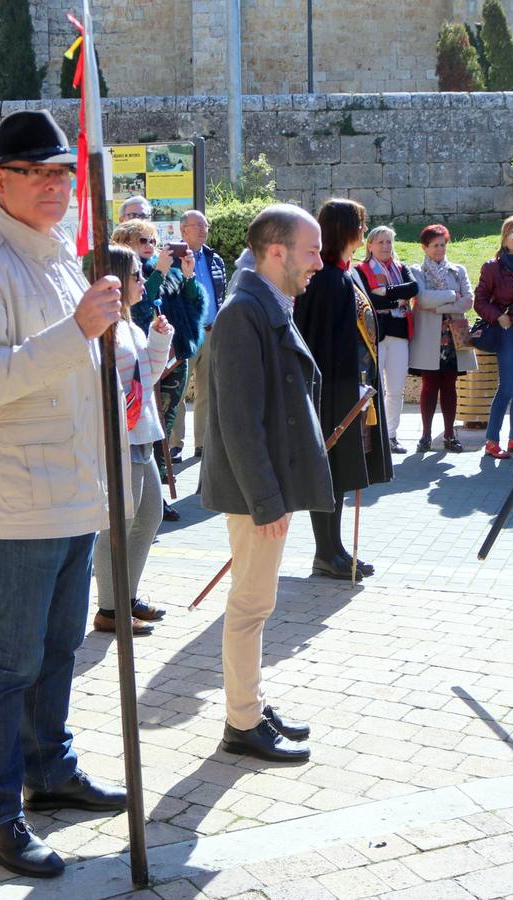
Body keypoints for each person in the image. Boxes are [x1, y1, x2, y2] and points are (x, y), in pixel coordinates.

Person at [0, 109, 128, 878]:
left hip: (77, 486)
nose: (55, 186)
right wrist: (78, 330)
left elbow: (82, 368)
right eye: (38, 174)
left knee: (60, 646)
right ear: (0, 182)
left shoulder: (59, 258)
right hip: (23, 496)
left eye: (63, 174)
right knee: (10, 658)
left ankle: (49, 769)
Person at [200, 203, 333, 763]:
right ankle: (242, 721)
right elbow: (236, 420)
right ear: (275, 253)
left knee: (259, 603)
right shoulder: (243, 312)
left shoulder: (264, 303)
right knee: (251, 606)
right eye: (312, 250)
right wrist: (265, 501)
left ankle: (250, 704)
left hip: (268, 489)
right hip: (258, 494)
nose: (320, 263)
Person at [293, 198, 391, 580]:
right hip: (333, 393)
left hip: (354, 390)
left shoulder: (344, 275)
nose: (364, 233)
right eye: (360, 225)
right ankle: (326, 551)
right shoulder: (326, 281)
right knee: (330, 471)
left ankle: (335, 549)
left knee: (343, 472)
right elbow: (318, 342)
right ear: (345, 230)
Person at [92, 245, 172, 637]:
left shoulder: (130, 326)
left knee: (149, 516)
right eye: (137, 274)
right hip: (120, 439)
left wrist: (160, 341)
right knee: (117, 525)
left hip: (141, 436)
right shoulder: (103, 329)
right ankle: (109, 607)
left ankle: (126, 596)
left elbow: (150, 377)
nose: (143, 281)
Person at [114, 219, 204, 518]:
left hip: (172, 357)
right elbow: (137, 309)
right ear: (125, 242)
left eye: (153, 241)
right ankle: (145, 499)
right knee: (144, 430)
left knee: (163, 426)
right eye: (143, 241)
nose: (151, 247)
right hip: (141, 361)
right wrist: (160, 272)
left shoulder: (164, 272)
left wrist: (188, 276)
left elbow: (192, 309)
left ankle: (156, 495)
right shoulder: (126, 275)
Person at [475, 215, 513, 459]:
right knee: (508, 387)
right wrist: (498, 316)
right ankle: (492, 440)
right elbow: (479, 301)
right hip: (509, 330)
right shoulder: (494, 266)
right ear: (504, 238)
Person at [408, 224, 474, 454]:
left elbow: (468, 300)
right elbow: (423, 299)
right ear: (425, 247)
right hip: (429, 336)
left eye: (443, 244)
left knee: (449, 385)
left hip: (453, 334)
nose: (439, 249)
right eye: (435, 245)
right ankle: (425, 436)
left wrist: (441, 306)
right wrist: (450, 296)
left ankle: (449, 435)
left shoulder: (458, 270)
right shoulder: (416, 270)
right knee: (429, 386)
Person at [356, 226, 419, 453]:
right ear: (370, 245)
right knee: (374, 386)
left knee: (395, 388)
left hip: (399, 333)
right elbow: (370, 300)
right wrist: (395, 300)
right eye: (380, 242)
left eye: (389, 242)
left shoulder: (401, 268)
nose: (385, 246)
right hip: (375, 334)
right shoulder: (361, 269)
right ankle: (374, 435)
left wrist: (385, 291)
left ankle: (391, 435)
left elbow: (413, 288)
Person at [181, 210, 228, 460]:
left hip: (210, 331)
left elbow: (221, 295)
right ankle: (175, 444)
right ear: (183, 231)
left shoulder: (214, 258)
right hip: (184, 333)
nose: (203, 230)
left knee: (207, 390)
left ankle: (202, 443)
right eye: (197, 225)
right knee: (177, 390)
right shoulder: (172, 258)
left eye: (205, 225)